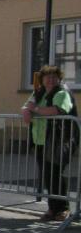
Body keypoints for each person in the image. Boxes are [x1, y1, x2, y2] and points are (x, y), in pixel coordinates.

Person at [21, 65, 77, 222]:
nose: (51, 80)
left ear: (59, 78)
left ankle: (63, 208)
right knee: (47, 174)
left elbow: (57, 110)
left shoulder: (62, 92)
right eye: (47, 77)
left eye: (54, 77)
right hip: (41, 139)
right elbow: (27, 105)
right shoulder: (39, 92)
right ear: (42, 79)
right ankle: (53, 209)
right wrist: (25, 110)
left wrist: (35, 109)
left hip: (60, 140)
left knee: (55, 173)